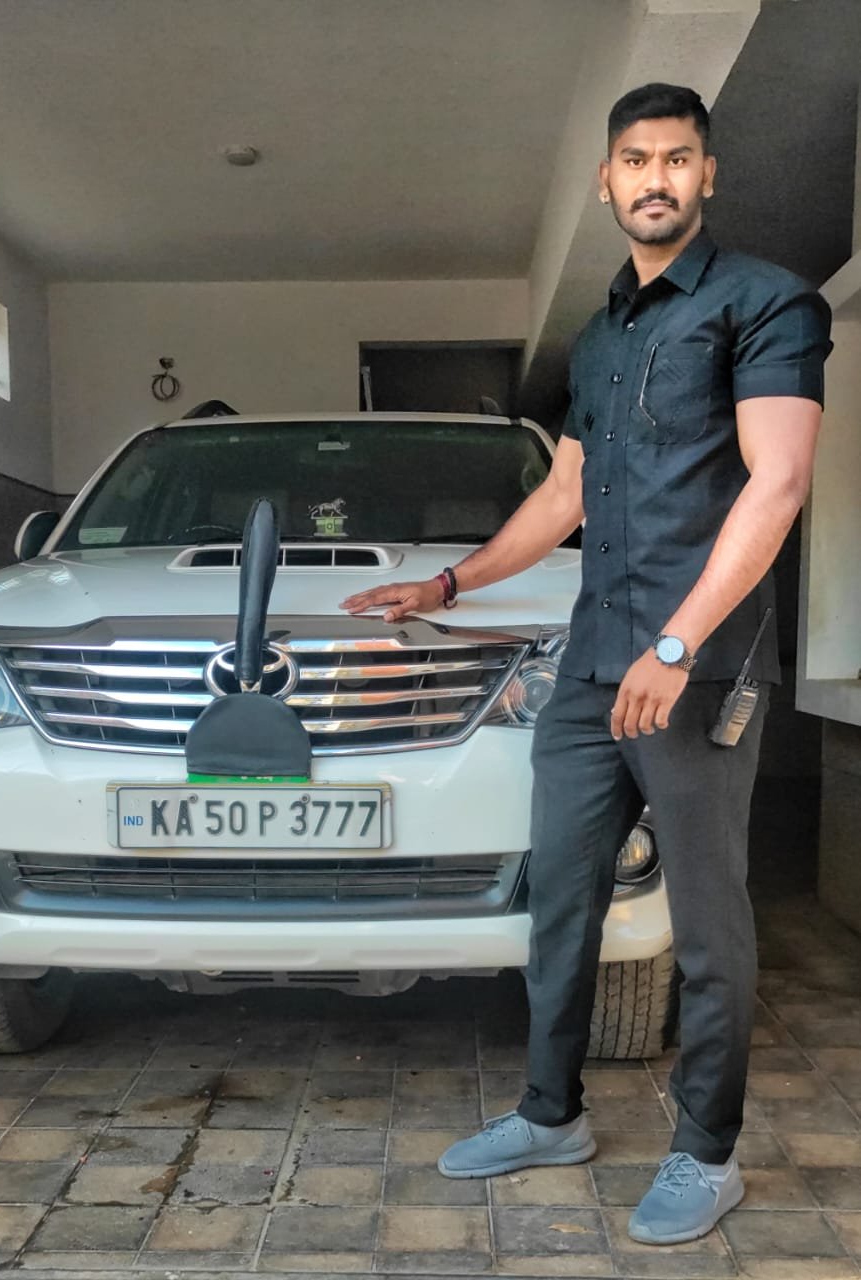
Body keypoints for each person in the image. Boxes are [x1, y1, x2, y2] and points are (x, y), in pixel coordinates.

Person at [341, 83, 832, 1245]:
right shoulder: (600, 337)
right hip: (588, 666)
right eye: (634, 159)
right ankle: (547, 1112)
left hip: (691, 668)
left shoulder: (766, 302)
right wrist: (448, 583)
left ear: (705, 175)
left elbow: (775, 484)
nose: (655, 177)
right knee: (558, 898)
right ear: (606, 182)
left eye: (676, 157)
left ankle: (704, 1151)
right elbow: (562, 493)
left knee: (705, 924)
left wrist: (676, 641)